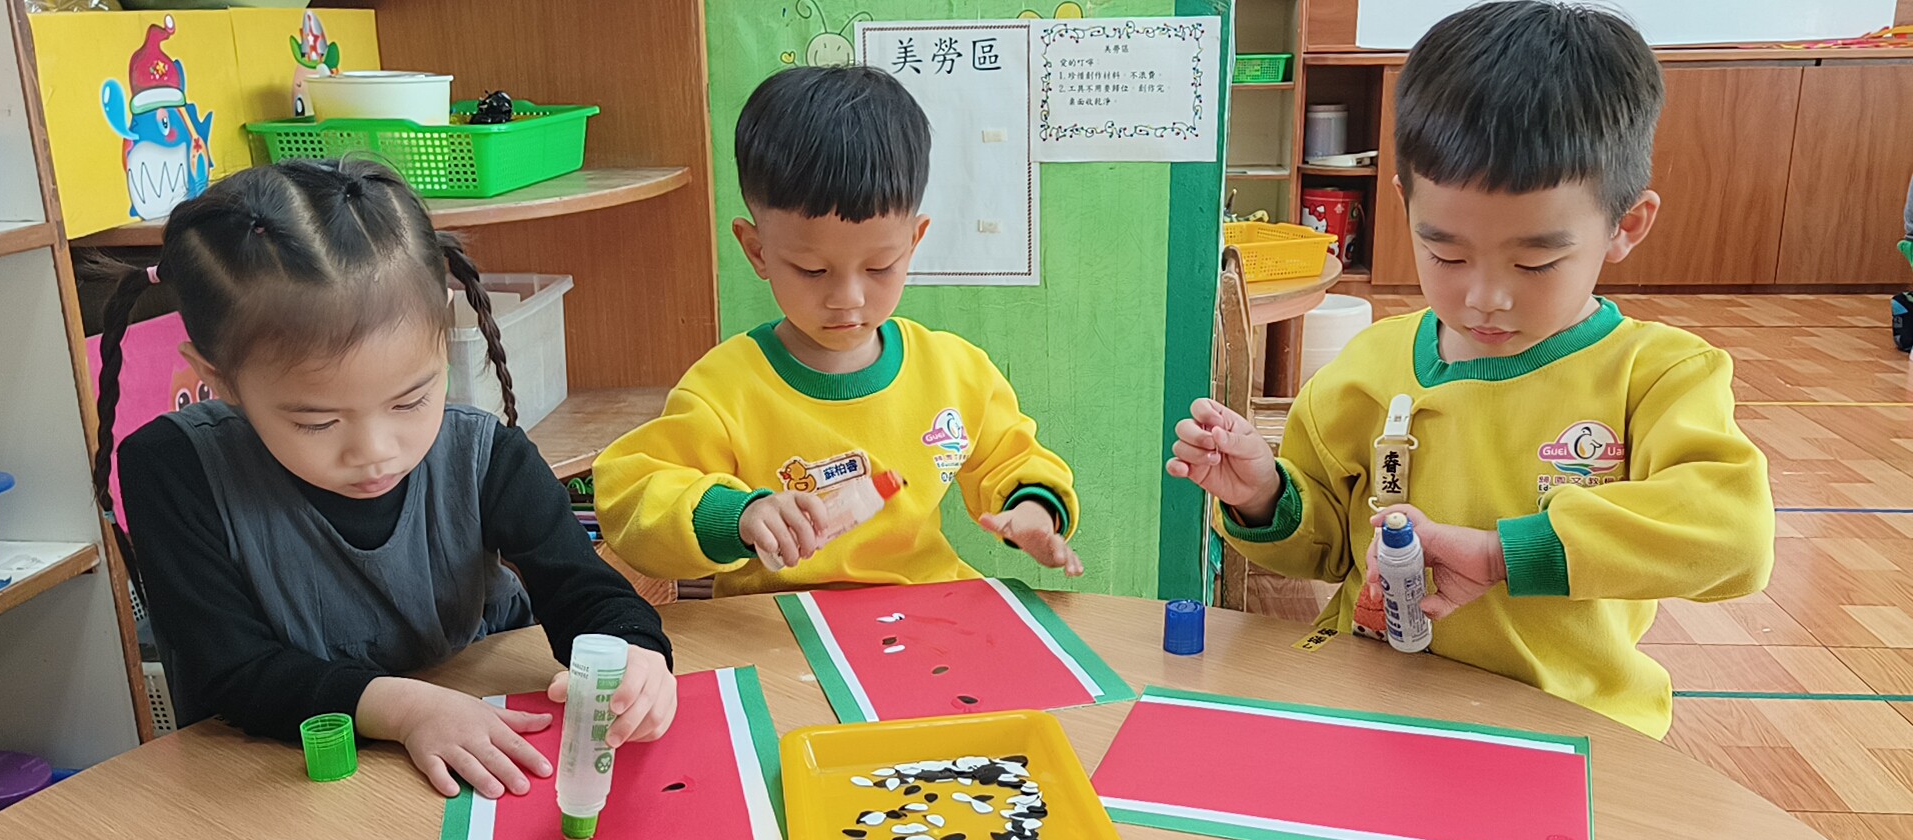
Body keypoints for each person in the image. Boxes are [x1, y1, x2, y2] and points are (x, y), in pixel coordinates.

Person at [1168, 1, 1773, 738]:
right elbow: (1323, 548)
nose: (1486, 297)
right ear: (1404, 206)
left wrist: (1504, 554)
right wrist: (1265, 495)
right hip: (1373, 703)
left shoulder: (1657, 373)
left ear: (1626, 226)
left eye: (1536, 262)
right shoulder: (1371, 368)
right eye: (1446, 254)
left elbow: (1733, 537)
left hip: (1568, 726)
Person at [95, 158, 677, 799]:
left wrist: (634, 652)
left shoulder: (485, 456)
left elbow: (586, 592)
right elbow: (229, 672)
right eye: (317, 422)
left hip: (473, 741)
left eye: (411, 401)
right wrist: (404, 710)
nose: (376, 453)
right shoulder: (175, 470)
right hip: (284, 782)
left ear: (443, 331)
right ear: (221, 378)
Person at [593, 65, 1081, 596]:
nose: (847, 297)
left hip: (924, 613)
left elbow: (1014, 459)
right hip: (780, 624)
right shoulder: (725, 389)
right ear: (757, 250)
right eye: (812, 269)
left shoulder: (954, 373)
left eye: (879, 267)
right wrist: (737, 516)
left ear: (914, 243)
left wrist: (1032, 511)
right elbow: (630, 496)